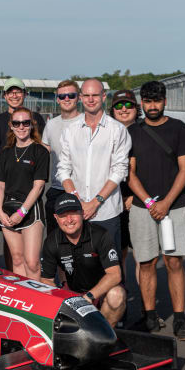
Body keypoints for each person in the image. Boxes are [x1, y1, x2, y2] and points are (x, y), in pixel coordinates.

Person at [127, 81, 185, 341]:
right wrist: (148, 202)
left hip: (174, 207)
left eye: (157, 101)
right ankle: (150, 317)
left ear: (165, 101)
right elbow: (130, 174)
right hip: (143, 207)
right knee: (146, 262)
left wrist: (166, 203)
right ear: (141, 103)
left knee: (174, 261)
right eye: (147, 101)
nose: (152, 106)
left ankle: (179, 319)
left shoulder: (179, 129)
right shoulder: (133, 132)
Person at [58, 78, 131, 253]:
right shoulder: (70, 131)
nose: (91, 99)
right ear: (81, 97)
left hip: (107, 212)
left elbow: (119, 170)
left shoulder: (118, 130)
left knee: (111, 272)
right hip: (77, 213)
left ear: (103, 96)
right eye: (87, 95)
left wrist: (95, 202)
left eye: (95, 95)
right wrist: (78, 200)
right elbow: (63, 170)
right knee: (81, 271)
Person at [40, 194, 126, 326]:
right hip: (72, 293)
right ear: (56, 218)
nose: (69, 220)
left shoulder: (100, 235)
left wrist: (89, 297)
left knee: (117, 295)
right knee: (44, 297)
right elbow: (46, 280)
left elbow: (115, 275)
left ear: (82, 213)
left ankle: (105, 335)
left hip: (99, 292)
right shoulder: (51, 242)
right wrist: (63, 299)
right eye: (63, 215)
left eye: (73, 213)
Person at [0, 108, 49, 279]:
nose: (21, 127)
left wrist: (22, 212)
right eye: (16, 123)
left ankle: (36, 302)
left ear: (32, 125)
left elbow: (38, 187)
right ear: (11, 126)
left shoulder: (40, 151)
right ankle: (24, 304)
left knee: (31, 262)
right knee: (17, 260)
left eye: (25, 122)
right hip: (7, 211)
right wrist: (0, 212)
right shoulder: (6, 152)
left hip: (30, 211)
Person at [42, 80, 84, 224]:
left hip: (82, 189)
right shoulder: (51, 125)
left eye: (71, 95)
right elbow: (43, 153)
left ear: (78, 97)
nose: (66, 99)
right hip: (57, 188)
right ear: (57, 99)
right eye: (62, 96)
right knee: (55, 239)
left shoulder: (87, 122)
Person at [109, 89, 140, 279]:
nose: (123, 109)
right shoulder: (106, 132)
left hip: (139, 200)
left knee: (142, 257)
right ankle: (121, 297)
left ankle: (146, 305)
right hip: (112, 199)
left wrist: (137, 197)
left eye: (128, 105)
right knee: (117, 254)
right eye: (118, 105)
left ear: (136, 108)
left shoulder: (145, 132)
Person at [0, 77, 46, 151]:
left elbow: (43, 146)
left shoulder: (36, 118)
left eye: (18, 92)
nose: (14, 96)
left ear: (25, 94)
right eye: (10, 92)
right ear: (5, 96)